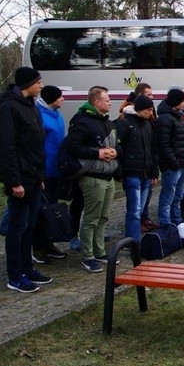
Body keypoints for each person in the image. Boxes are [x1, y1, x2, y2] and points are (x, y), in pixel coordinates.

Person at [0, 67, 51, 292]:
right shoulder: (9, 108)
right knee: (17, 228)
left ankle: (28, 268)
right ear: (27, 84)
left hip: (35, 178)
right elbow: (6, 148)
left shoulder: (32, 107)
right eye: (38, 82)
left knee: (30, 226)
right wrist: (13, 182)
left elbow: (36, 145)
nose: (41, 85)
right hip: (20, 180)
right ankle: (15, 275)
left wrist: (40, 177)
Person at [66, 87, 121, 273]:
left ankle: (99, 251)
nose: (110, 102)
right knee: (91, 218)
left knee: (103, 217)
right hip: (93, 177)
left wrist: (116, 152)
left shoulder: (108, 123)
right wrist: (97, 153)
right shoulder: (83, 122)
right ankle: (87, 256)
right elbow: (72, 147)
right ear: (97, 102)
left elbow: (119, 145)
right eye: (107, 100)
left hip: (108, 176)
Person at [32, 85, 68, 263]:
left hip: (56, 170)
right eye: (60, 97)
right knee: (41, 211)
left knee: (52, 209)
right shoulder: (39, 115)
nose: (63, 99)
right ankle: (38, 246)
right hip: (43, 171)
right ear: (51, 99)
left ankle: (49, 242)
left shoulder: (58, 115)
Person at [115, 94, 158, 242]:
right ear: (139, 109)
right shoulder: (125, 123)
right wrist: (120, 171)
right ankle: (133, 241)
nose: (151, 113)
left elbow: (152, 149)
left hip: (145, 171)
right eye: (149, 110)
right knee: (134, 210)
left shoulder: (147, 124)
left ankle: (134, 238)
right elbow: (118, 148)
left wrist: (154, 171)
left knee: (139, 209)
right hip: (132, 171)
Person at [156, 88, 184, 226]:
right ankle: (166, 225)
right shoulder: (165, 119)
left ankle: (177, 222)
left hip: (182, 163)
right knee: (167, 198)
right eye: (183, 100)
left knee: (177, 197)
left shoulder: (179, 116)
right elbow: (163, 144)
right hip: (172, 165)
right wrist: (174, 161)